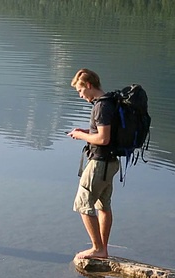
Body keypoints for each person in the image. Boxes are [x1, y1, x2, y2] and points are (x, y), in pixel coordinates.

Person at [67, 69, 120, 259]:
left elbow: (104, 139)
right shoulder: (110, 101)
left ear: (89, 85)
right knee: (103, 204)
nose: (81, 96)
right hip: (111, 163)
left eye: (80, 91)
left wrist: (81, 135)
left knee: (82, 204)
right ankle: (103, 249)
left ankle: (98, 249)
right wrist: (87, 132)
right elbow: (104, 135)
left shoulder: (101, 106)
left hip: (100, 164)